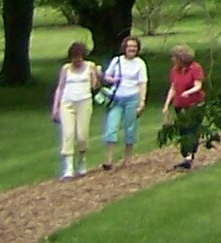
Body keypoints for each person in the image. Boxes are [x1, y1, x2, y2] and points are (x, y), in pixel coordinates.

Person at [50, 40, 101, 180]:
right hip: (67, 103)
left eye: (79, 57)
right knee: (68, 134)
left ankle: (82, 160)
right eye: (74, 58)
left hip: (84, 102)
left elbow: (95, 87)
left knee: (82, 135)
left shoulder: (89, 66)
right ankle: (68, 168)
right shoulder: (66, 69)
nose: (77, 61)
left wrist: (96, 75)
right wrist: (55, 107)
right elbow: (60, 88)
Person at [99, 33, 149, 170]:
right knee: (111, 127)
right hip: (116, 99)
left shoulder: (140, 64)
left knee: (131, 128)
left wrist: (142, 101)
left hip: (132, 98)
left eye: (134, 46)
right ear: (124, 48)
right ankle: (108, 160)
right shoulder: (117, 61)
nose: (132, 49)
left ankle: (127, 159)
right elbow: (106, 76)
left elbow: (142, 83)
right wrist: (113, 80)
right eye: (129, 46)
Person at [162, 44, 206, 169]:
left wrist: (188, 92)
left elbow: (198, 85)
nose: (172, 60)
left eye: (174, 57)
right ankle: (187, 155)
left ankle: (189, 156)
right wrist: (166, 105)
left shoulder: (195, 68)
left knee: (192, 128)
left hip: (194, 104)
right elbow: (173, 88)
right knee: (183, 130)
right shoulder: (175, 70)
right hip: (180, 104)